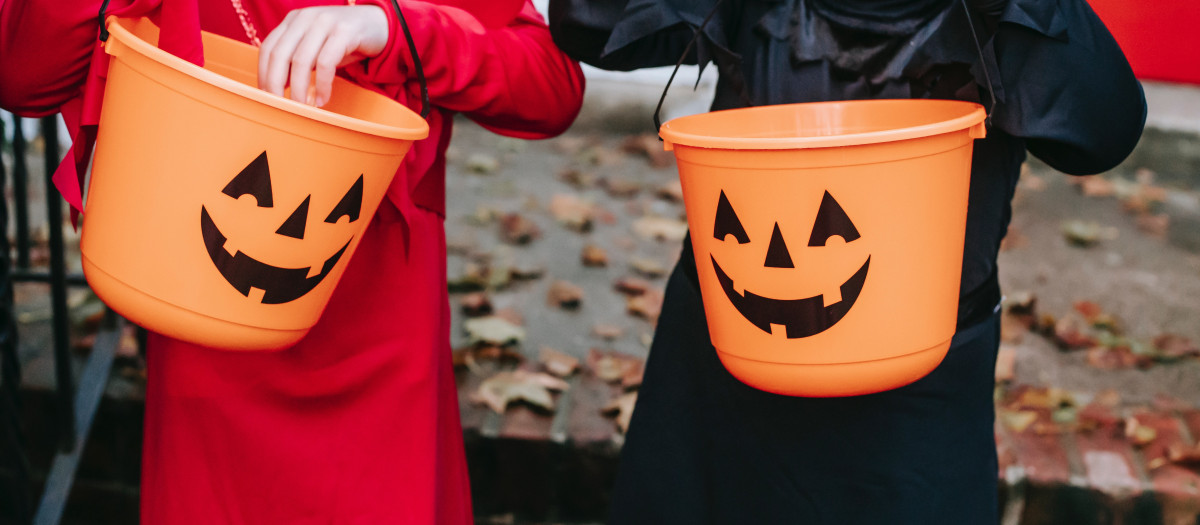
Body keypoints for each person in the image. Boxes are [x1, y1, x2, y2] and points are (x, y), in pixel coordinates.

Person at [548, 0, 1144, 523]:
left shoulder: (995, 13)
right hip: (728, 344)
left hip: (918, 392)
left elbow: (1104, 129)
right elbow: (589, 23)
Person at [0, 0, 584, 522]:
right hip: (205, 306)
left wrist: (391, 25)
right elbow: (23, 72)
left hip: (380, 322)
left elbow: (551, 85)